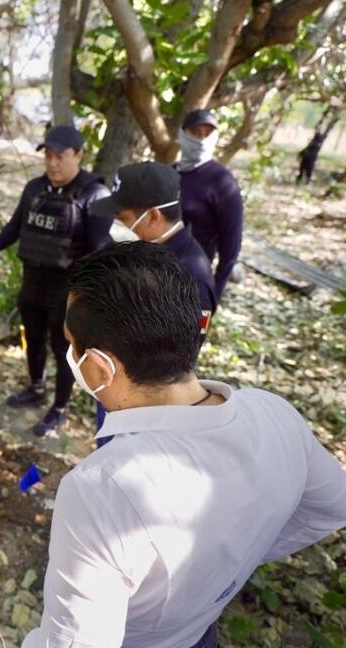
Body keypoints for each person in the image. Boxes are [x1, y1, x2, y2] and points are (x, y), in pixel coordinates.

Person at [12, 241, 346, 648]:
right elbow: (336, 508)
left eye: (72, 344)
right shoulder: (274, 413)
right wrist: (234, 555)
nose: (69, 353)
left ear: (98, 366)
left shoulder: (104, 489)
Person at [0, 124, 112, 437]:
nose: (53, 163)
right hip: (33, 279)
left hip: (68, 290)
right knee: (34, 339)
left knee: (62, 348)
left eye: (61, 156)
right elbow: (15, 226)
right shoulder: (34, 189)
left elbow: (99, 252)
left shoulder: (94, 195)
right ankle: (36, 387)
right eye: (48, 156)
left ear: (79, 155)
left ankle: (60, 407)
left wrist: (89, 296)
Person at [90, 161, 217, 447]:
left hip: (142, 405)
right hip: (116, 384)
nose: (121, 224)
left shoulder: (190, 278)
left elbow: (177, 358)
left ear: (153, 216)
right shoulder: (152, 251)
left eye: (124, 216)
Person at [176, 108, 244, 300]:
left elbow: (230, 249)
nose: (202, 140)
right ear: (182, 135)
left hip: (193, 282)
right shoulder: (170, 174)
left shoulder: (222, 182)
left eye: (207, 134)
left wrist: (213, 296)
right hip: (156, 275)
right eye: (196, 134)